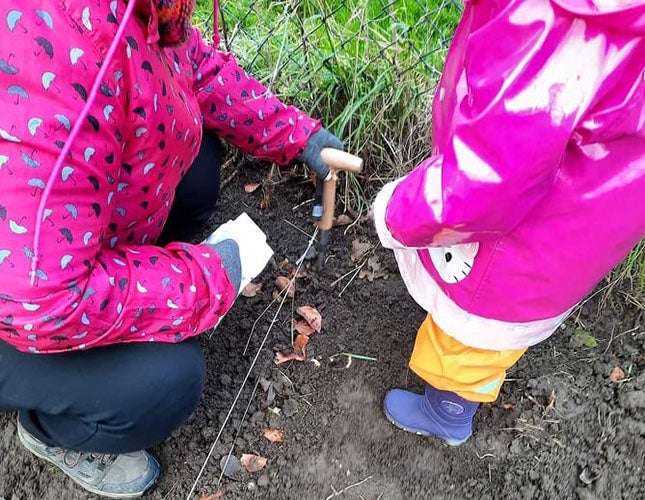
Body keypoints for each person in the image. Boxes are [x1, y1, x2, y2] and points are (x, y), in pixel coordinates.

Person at [0, 0, 342, 497]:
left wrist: (297, 135)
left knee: (196, 160)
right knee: (164, 379)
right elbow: (40, 301)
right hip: (22, 304)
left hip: (42, 246)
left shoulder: (130, 14)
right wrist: (205, 279)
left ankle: (132, 298)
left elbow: (186, 65)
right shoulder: (46, 45)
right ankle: (52, 431)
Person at [372, 0, 644, 446]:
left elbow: (484, 182)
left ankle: (448, 411)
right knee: (510, 317)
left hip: (517, 243)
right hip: (585, 225)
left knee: (469, 339)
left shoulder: (552, 27)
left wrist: (398, 213)